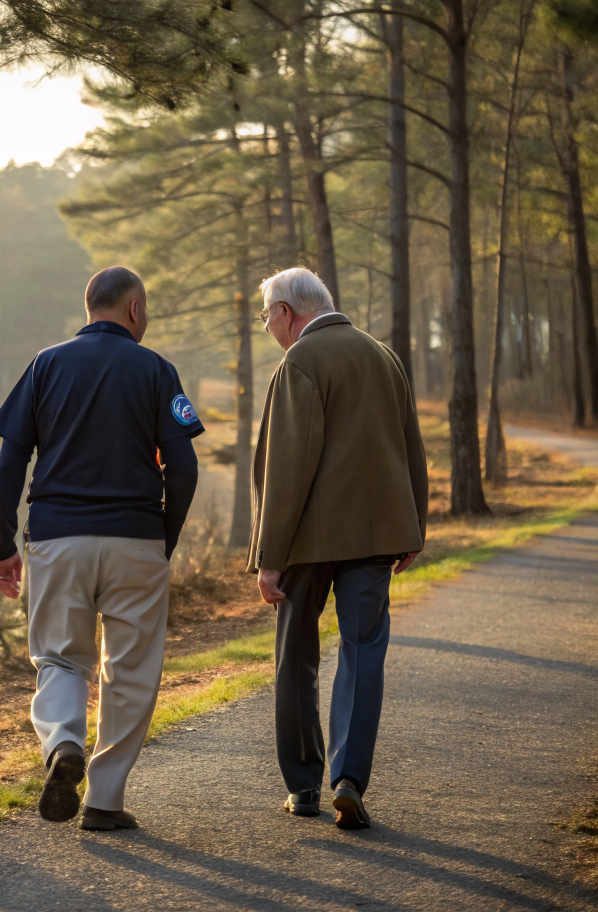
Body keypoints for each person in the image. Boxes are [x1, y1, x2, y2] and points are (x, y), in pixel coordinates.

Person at [0, 266, 203, 831]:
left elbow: (10, 463)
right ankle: (104, 801)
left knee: (61, 658)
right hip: (136, 539)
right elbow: (183, 468)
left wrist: (4, 544)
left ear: (90, 307)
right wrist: (164, 538)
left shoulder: (46, 364)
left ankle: (63, 743)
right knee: (130, 672)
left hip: (58, 538)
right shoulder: (157, 370)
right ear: (134, 309)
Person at [249, 267, 428, 829]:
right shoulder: (384, 357)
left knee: (297, 656)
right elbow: (410, 445)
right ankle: (349, 779)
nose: (267, 327)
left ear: (285, 312)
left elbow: (287, 467)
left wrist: (269, 556)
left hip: (308, 540)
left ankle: (303, 786)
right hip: (376, 537)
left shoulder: (300, 362)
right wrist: (413, 527)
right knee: (362, 650)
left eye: (266, 316)